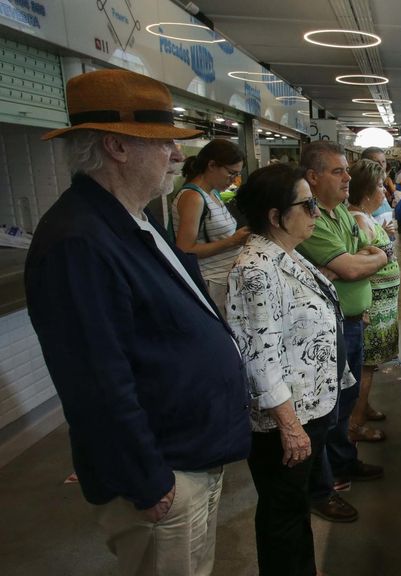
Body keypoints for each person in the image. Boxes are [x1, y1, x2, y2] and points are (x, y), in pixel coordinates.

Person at [24, 69, 250, 576]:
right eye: (165, 142)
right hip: (165, 477)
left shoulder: (132, 218)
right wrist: (150, 481)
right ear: (116, 147)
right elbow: (96, 382)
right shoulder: (78, 241)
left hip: (191, 455)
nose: (177, 155)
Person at [226, 164, 353, 575]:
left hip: (309, 408)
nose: (317, 213)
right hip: (286, 420)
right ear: (276, 216)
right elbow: (259, 357)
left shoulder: (285, 255)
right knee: (282, 513)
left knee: (295, 506)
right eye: (307, 204)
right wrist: (289, 425)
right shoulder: (255, 270)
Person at [297, 141, 387, 522]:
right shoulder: (311, 219)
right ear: (313, 177)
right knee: (324, 412)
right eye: (338, 171)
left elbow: (369, 251)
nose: (348, 177)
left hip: (351, 321)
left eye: (347, 171)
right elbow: (352, 268)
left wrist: (366, 260)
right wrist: (361, 262)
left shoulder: (341, 215)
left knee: (346, 402)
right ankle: (322, 489)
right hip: (322, 329)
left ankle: (344, 463)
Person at [347, 159, 401, 440]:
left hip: (382, 303)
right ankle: (355, 425)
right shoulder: (358, 219)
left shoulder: (365, 217)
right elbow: (360, 261)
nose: (384, 191)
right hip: (373, 306)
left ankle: (363, 408)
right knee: (366, 366)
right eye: (380, 185)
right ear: (367, 192)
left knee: (370, 365)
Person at [171, 138, 250, 313]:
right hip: (211, 283)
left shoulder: (214, 193)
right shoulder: (193, 197)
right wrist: (233, 241)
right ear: (212, 165)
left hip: (226, 280)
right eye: (231, 173)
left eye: (237, 175)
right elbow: (184, 249)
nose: (234, 180)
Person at [360, 147, 398, 239]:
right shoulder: (363, 192)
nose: (381, 166)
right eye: (376, 162)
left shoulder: (380, 186)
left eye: (383, 162)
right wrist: (381, 232)